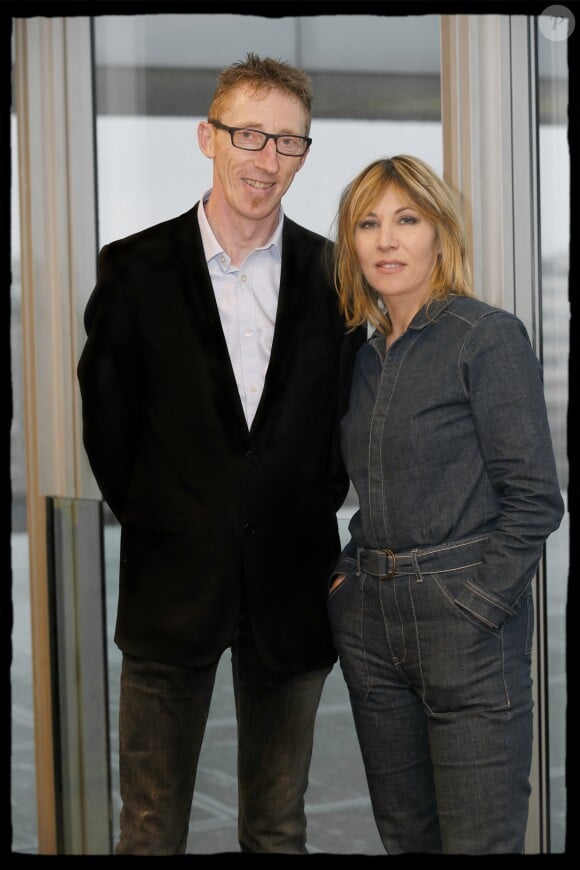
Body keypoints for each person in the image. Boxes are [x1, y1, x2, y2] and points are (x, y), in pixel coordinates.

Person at [77, 53, 364, 855]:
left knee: (277, 829)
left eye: (287, 143)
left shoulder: (334, 273)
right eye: (249, 135)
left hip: (293, 588)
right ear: (209, 136)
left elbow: (341, 424)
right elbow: (108, 426)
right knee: (149, 830)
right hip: (171, 590)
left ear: (305, 154)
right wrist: (171, 518)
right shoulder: (133, 270)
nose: (265, 160)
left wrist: (295, 507)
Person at [326, 155, 565, 855]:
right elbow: (374, 489)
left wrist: (481, 607)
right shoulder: (365, 357)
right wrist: (347, 579)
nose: (386, 240)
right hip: (373, 622)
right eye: (368, 224)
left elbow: (535, 499)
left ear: (440, 233)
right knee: (407, 839)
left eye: (407, 219)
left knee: (479, 842)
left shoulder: (484, 336)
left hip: (463, 622)